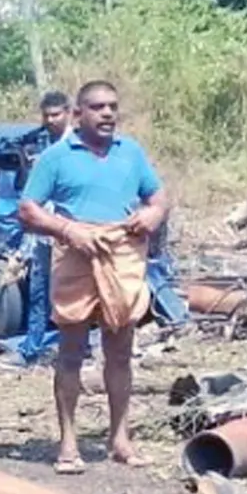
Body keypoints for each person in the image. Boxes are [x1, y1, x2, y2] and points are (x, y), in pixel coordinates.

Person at [17, 80, 171, 471]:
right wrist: (70, 231)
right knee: (70, 353)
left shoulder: (130, 152)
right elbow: (28, 211)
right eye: (98, 107)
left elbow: (158, 196)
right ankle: (68, 443)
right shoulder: (56, 157)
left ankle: (120, 438)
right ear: (78, 114)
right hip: (75, 253)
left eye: (112, 107)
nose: (107, 114)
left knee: (119, 353)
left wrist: (153, 215)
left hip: (122, 254)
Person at [4, 90, 78, 369]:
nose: (50, 120)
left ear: (68, 113)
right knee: (39, 294)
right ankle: (31, 350)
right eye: (46, 115)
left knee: (71, 295)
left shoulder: (77, 146)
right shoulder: (41, 145)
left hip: (70, 233)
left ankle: (72, 350)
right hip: (43, 235)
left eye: (56, 114)